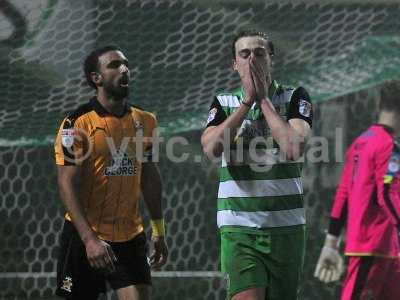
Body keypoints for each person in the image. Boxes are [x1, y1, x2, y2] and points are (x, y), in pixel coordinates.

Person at [201, 30, 313, 300]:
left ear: (271, 59)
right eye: (245, 54)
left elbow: (293, 147)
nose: (252, 59)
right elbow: (212, 148)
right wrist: (246, 103)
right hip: (240, 226)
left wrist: (263, 100)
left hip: (286, 226)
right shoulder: (224, 102)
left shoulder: (295, 97)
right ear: (234, 64)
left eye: (260, 53)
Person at [54, 45, 168, 300]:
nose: (124, 69)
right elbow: (66, 184)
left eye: (126, 64)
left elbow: (149, 177)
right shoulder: (75, 124)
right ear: (96, 79)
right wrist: (89, 240)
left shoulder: (146, 120)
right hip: (85, 236)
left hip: (130, 235)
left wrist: (158, 230)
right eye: (114, 65)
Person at [314, 80, 400, 300]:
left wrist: (331, 243)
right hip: (374, 248)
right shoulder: (390, 146)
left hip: (381, 250)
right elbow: (387, 195)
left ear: (380, 104)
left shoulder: (361, 142)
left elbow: (343, 194)